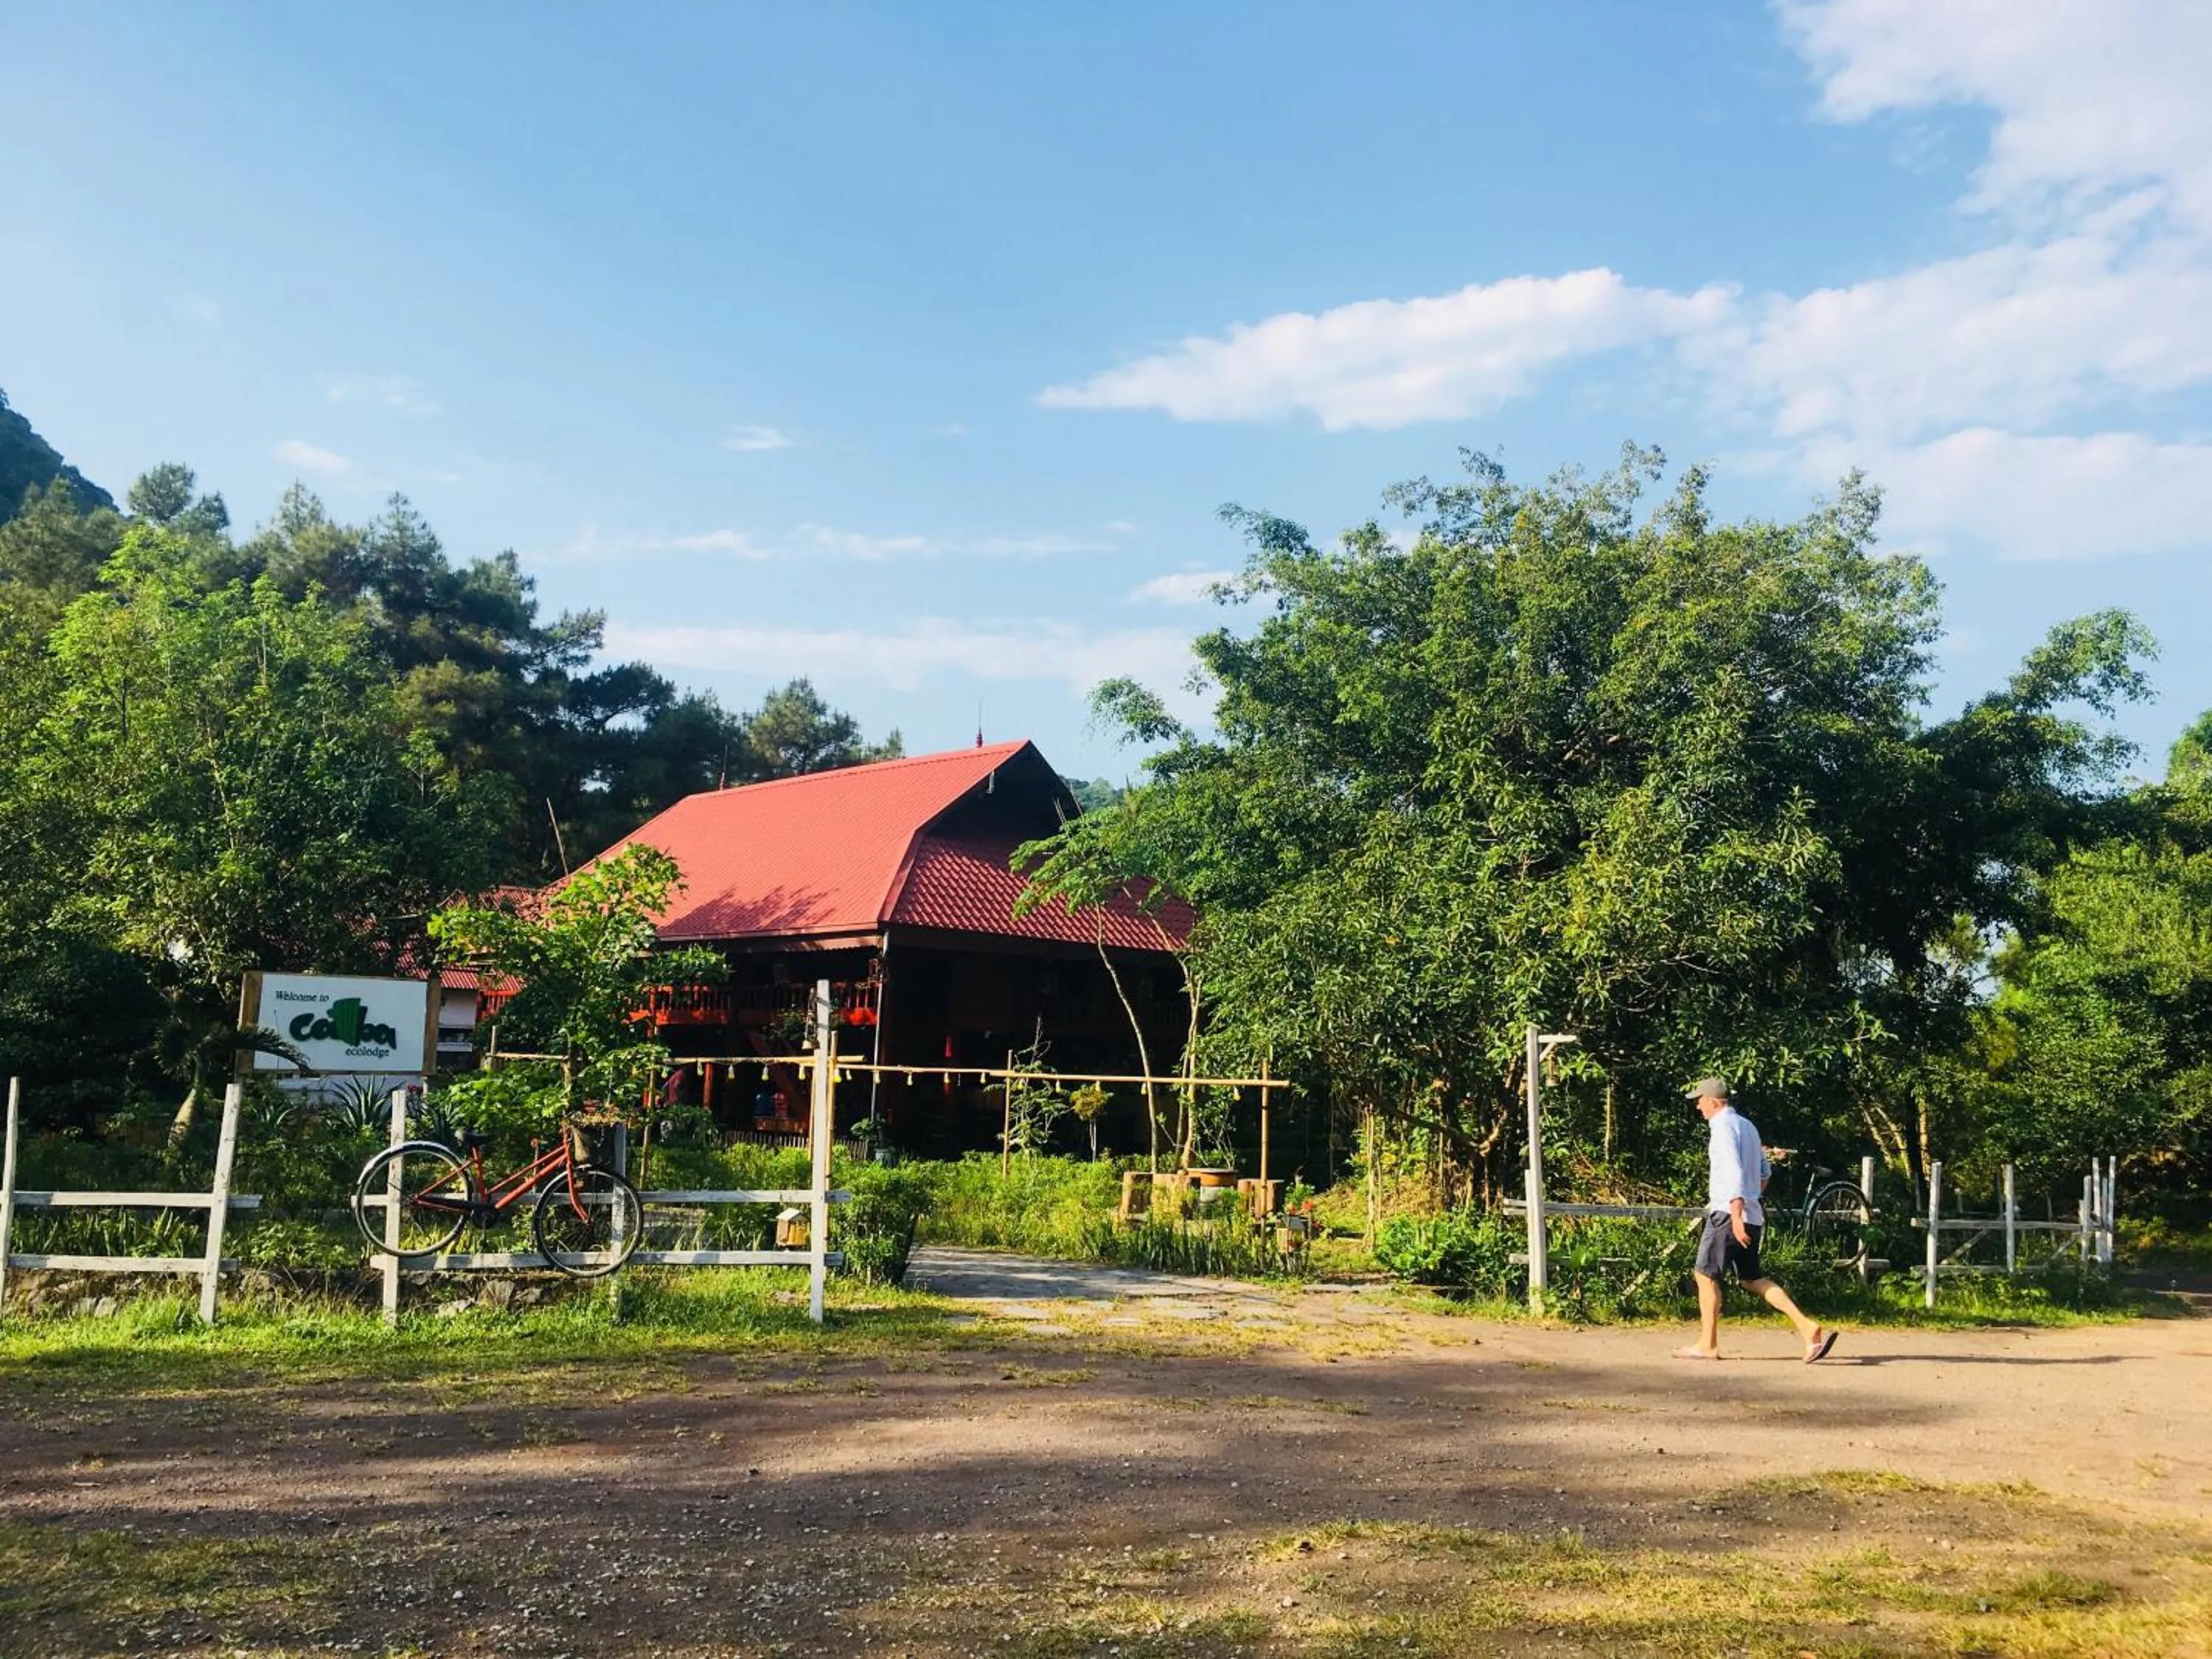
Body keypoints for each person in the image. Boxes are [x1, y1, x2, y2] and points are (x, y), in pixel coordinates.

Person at [1673, 1078, 1839, 1363]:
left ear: (1713, 1101)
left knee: (1705, 1274)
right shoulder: (1747, 1126)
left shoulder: (1723, 1128)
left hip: (1728, 1214)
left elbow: (1733, 1172)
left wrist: (1736, 1214)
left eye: (1699, 1100)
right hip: (1752, 1213)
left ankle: (1707, 1345)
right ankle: (1807, 1326)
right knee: (1751, 1279)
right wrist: (1750, 1202)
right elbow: (1765, 1172)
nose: (1697, 1105)